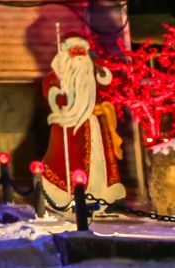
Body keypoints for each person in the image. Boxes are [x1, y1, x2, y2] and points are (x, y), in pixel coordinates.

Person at [38, 34, 126, 210]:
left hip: (95, 121)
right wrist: (58, 96)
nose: (79, 55)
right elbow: (51, 90)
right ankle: (68, 195)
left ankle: (100, 195)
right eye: (74, 50)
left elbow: (105, 83)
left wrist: (101, 70)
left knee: (100, 161)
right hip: (69, 122)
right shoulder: (60, 74)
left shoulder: (92, 70)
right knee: (69, 158)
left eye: (82, 50)